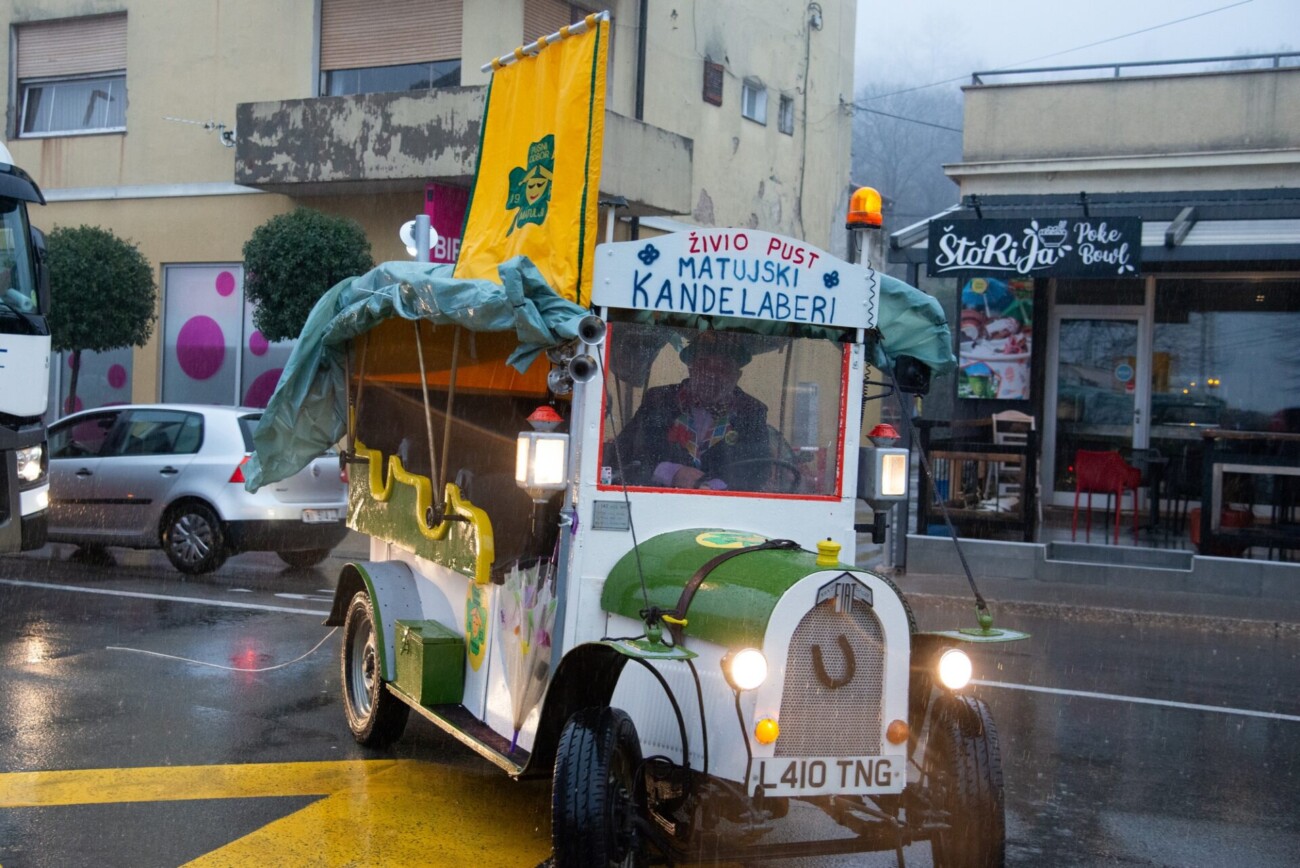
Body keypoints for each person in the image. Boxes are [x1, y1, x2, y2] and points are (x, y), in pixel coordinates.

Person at [613, 331, 771, 491]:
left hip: (725, 509)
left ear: (736, 376)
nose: (711, 374)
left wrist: (713, 487)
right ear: (691, 369)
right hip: (661, 502)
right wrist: (671, 473)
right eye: (704, 364)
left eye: (723, 368)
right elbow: (621, 455)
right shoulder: (659, 400)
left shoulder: (751, 411)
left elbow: (759, 471)